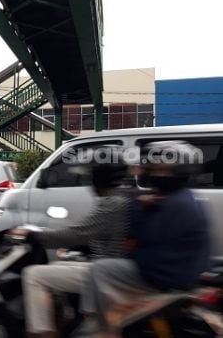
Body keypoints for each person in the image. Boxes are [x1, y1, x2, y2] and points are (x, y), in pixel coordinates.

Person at [81, 140, 210, 338]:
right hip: (178, 272)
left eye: (162, 171)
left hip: (162, 275)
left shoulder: (171, 204)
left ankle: (106, 330)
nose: (155, 174)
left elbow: (142, 237)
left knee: (99, 269)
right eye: (155, 169)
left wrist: (138, 208)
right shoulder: (181, 198)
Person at [8, 159, 132, 338]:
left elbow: (77, 233)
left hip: (105, 271)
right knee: (55, 266)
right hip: (110, 266)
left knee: (34, 275)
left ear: (99, 180)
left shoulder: (112, 203)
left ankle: (43, 333)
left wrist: (33, 235)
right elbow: (96, 233)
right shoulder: (123, 199)